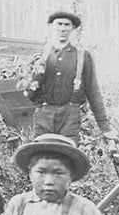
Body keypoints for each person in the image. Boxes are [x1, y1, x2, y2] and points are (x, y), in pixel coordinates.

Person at [25, 10, 113, 142]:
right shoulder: (40, 56)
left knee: (68, 152)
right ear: (51, 26)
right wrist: (36, 76)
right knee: (41, 152)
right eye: (59, 24)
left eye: (67, 25)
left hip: (70, 117)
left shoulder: (82, 57)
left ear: (73, 28)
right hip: (44, 116)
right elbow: (29, 94)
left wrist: (104, 126)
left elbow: (93, 91)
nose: (62, 29)